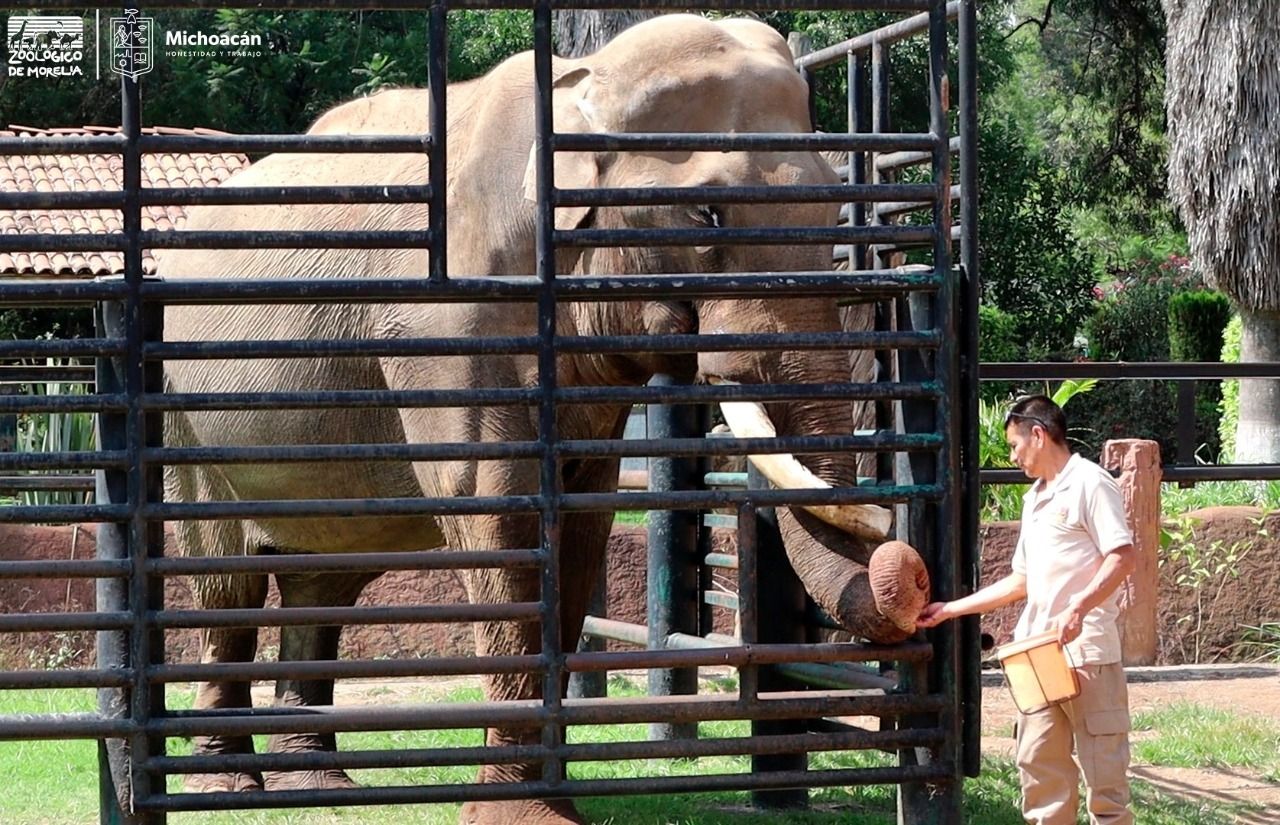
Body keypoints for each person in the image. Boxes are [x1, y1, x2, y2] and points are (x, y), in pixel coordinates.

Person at [918, 394, 1136, 825]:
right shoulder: (1034, 498)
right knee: (1038, 769)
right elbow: (1022, 580)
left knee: (1105, 781)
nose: (1013, 456)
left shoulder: (1091, 483)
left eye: (1015, 445)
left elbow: (1122, 556)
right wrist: (950, 610)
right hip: (1037, 655)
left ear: (1038, 435)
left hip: (1087, 652)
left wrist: (1078, 608)